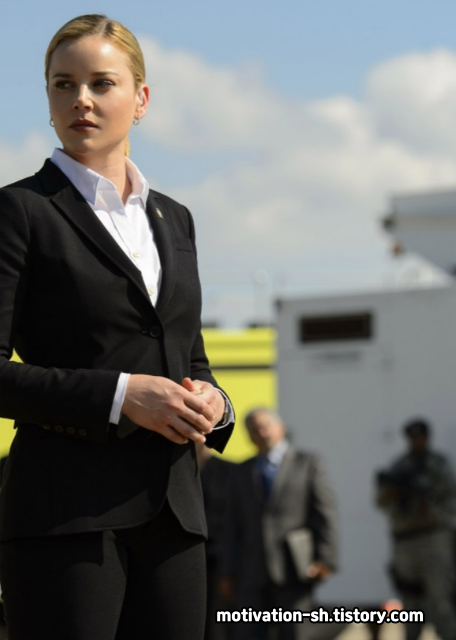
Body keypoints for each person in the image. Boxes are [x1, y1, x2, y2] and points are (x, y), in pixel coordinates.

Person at [0, 14, 235, 640]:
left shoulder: (176, 220)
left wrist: (215, 404)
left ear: (141, 99)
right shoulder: (20, 211)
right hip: (64, 519)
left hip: (175, 517)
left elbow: (190, 358)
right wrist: (121, 395)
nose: (81, 99)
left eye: (101, 83)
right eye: (63, 84)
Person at [219, 408, 339, 640]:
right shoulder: (241, 471)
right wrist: (227, 571)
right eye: (254, 429)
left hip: (294, 567)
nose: (261, 432)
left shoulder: (308, 463)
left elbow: (325, 514)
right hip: (251, 571)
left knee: (295, 632)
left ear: (280, 427)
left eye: (265, 426)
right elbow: (232, 524)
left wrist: (325, 559)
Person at [375, 419, 456, 640]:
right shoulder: (399, 467)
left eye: (420, 437)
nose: (416, 441)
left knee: (440, 602)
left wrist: (430, 510)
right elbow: (381, 504)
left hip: (433, 539)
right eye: (412, 437)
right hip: (405, 541)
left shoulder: (438, 466)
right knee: (410, 604)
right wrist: (390, 495)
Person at [196, 443, 235, 640]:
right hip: (185, 554)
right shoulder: (177, 469)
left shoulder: (229, 471)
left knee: (216, 618)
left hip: (217, 556)